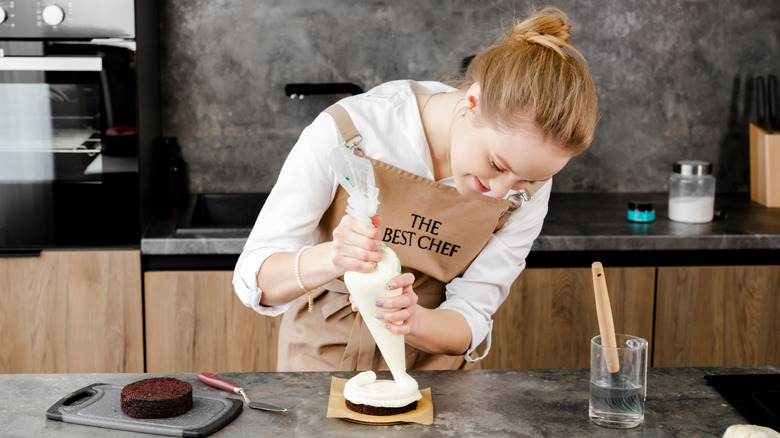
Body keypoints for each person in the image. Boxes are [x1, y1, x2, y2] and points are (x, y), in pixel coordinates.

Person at [233, 6, 598, 372]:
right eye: (497, 166)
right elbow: (254, 278)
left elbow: (471, 314)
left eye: (524, 181)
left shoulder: (528, 187)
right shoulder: (350, 130)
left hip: (437, 374)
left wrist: (415, 320)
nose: (501, 193)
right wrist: (334, 257)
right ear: (472, 102)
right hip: (320, 362)